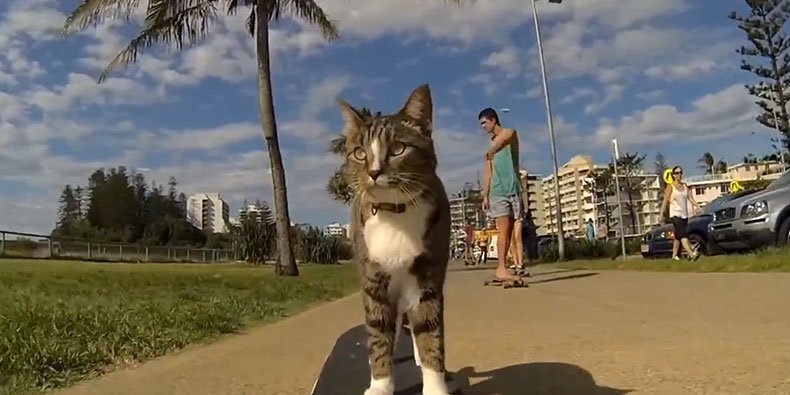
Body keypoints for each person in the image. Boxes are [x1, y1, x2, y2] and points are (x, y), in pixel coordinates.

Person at [479, 107, 525, 280]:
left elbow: (507, 137)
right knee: (504, 230)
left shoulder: (509, 134)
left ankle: (503, 267)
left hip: (513, 189)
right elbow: (488, 173)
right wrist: (485, 195)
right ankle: (501, 268)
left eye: (484, 122)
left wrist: (494, 149)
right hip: (498, 192)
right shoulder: (489, 147)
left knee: (512, 230)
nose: (482, 127)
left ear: (493, 120)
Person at [660, 165, 701, 261]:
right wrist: (661, 214)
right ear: (673, 175)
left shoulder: (685, 186)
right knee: (683, 234)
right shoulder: (670, 187)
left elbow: (690, 198)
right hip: (675, 214)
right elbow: (665, 201)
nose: (679, 175)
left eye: (680, 173)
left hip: (684, 214)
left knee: (678, 236)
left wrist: (697, 206)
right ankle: (691, 253)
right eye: (676, 173)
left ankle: (674, 255)